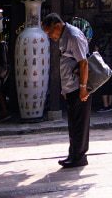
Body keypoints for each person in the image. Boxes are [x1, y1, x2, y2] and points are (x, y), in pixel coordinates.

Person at [42, 12, 90, 168]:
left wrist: (83, 88)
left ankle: (79, 157)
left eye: (49, 32)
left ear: (57, 26)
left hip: (78, 87)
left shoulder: (73, 36)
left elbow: (83, 63)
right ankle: (73, 154)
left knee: (79, 123)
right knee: (73, 124)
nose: (50, 36)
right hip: (70, 87)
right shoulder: (64, 36)